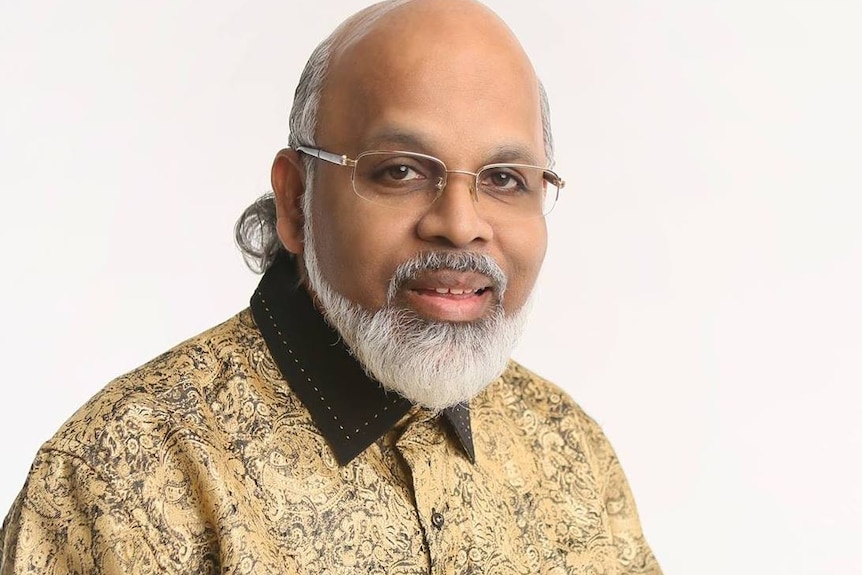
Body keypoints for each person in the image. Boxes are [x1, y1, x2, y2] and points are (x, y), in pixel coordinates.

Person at [0, 0, 662, 572]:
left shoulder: (570, 449)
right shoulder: (120, 480)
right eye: (401, 170)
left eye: (505, 178)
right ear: (295, 200)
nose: (461, 226)